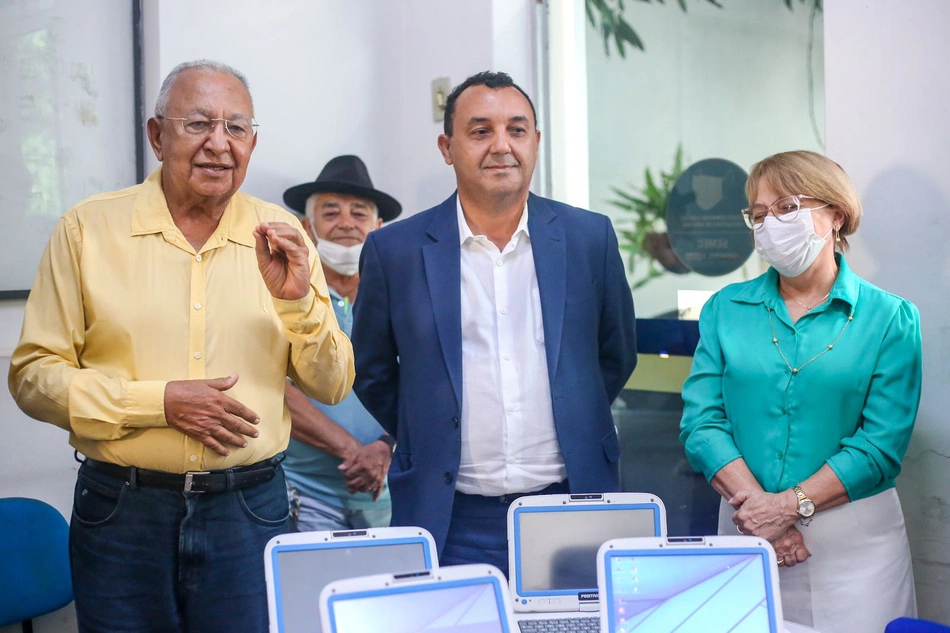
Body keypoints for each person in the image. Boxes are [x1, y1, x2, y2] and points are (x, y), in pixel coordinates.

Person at [7, 60, 354, 633]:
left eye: (236, 128)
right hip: (123, 509)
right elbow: (32, 376)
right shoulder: (87, 230)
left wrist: (296, 304)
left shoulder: (284, 235)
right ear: (157, 135)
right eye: (198, 124)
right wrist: (158, 403)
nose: (218, 144)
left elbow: (333, 383)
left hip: (249, 510)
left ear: (252, 142)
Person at [351, 71, 638, 575]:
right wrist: (429, 430)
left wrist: (574, 413)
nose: (501, 146)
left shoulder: (589, 237)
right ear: (447, 146)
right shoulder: (394, 250)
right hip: (450, 516)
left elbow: (615, 355)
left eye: (517, 129)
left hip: (571, 502)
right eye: (480, 131)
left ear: (537, 142)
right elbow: (372, 370)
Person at [679, 150, 921, 632]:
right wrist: (759, 510)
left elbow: (881, 445)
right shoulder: (726, 308)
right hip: (748, 531)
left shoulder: (890, 318)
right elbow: (701, 423)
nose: (770, 224)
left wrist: (785, 507)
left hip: (856, 548)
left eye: (787, 207)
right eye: (759, 214)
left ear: (836, 214)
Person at [280, 155, 402, 531]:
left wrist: (384, 446)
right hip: (303, 494)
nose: (346, 223)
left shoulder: (404, 296)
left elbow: (426, 381)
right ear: (307, 226)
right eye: (331, 213)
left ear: (379, 226)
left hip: (389, 492)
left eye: (359, 213)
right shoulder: (285, 295)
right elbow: (274, 387)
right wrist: (352, 451)